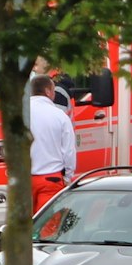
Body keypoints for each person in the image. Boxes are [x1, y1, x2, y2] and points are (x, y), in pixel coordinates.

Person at [26, 74, 77, 212]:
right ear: (48, 91)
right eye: (54, 90)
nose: (55, 94)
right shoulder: (60, 116)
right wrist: (68, 176)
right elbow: (69, 151)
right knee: (48, 222)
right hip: (50, 179)